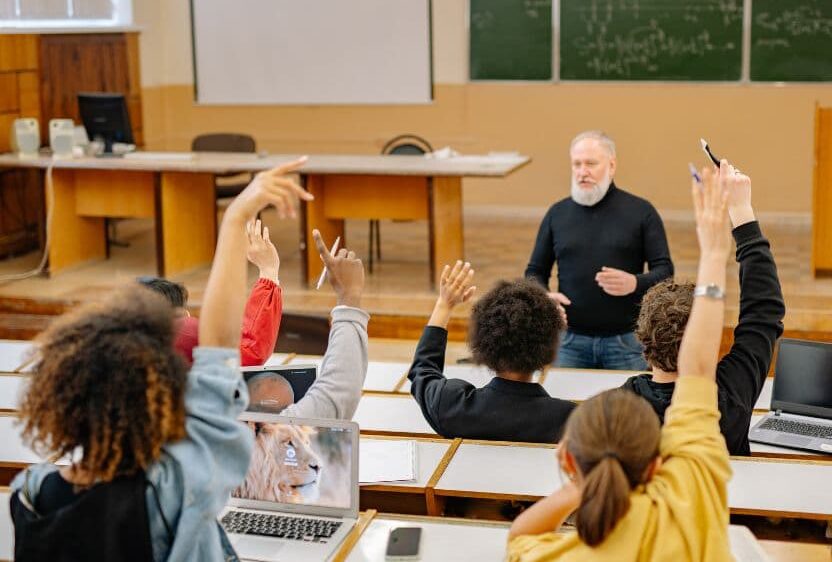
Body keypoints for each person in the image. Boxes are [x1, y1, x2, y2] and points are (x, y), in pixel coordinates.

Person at [9, 159, 316, 561]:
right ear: (156, 403)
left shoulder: (29, 494)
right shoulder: (177, 489)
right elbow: (225, 350)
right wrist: (236, 220)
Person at [507, 162, 737, 561]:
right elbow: (698, 368)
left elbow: (519, 536)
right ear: (657, 463)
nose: (581, 170)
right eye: (574, 161)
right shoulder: (691, 497)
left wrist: (579, 484)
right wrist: (715, 254)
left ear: (567, 458)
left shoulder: (556, 555)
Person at [622, 164, 784, 455]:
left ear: (643, 342)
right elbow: (763, 313)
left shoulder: (616, 408)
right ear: (708, 339)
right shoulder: (731, 393)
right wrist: (742, 212)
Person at [525, 130, 673, 370]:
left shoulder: (641, 212)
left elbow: (665, 271)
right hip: (569, 341)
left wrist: (634, 283)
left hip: (626, 342)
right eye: (577, 164)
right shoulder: (557, 214)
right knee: (568, 406)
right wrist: (543, 296)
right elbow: (534, 271)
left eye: (591, 164)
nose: (583, 171)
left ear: (612, 165)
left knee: (627, 408)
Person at [408, 262, 575, 443]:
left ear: (483, 344)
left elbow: (422, 370)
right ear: (549, 346)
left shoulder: (451, 406)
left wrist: (444, 305)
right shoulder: (571, 421)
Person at [138, 218, 283, 366]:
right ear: (180, 315)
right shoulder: (179, 330)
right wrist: (268, 271)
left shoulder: (120, 337)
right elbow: (250, 353)